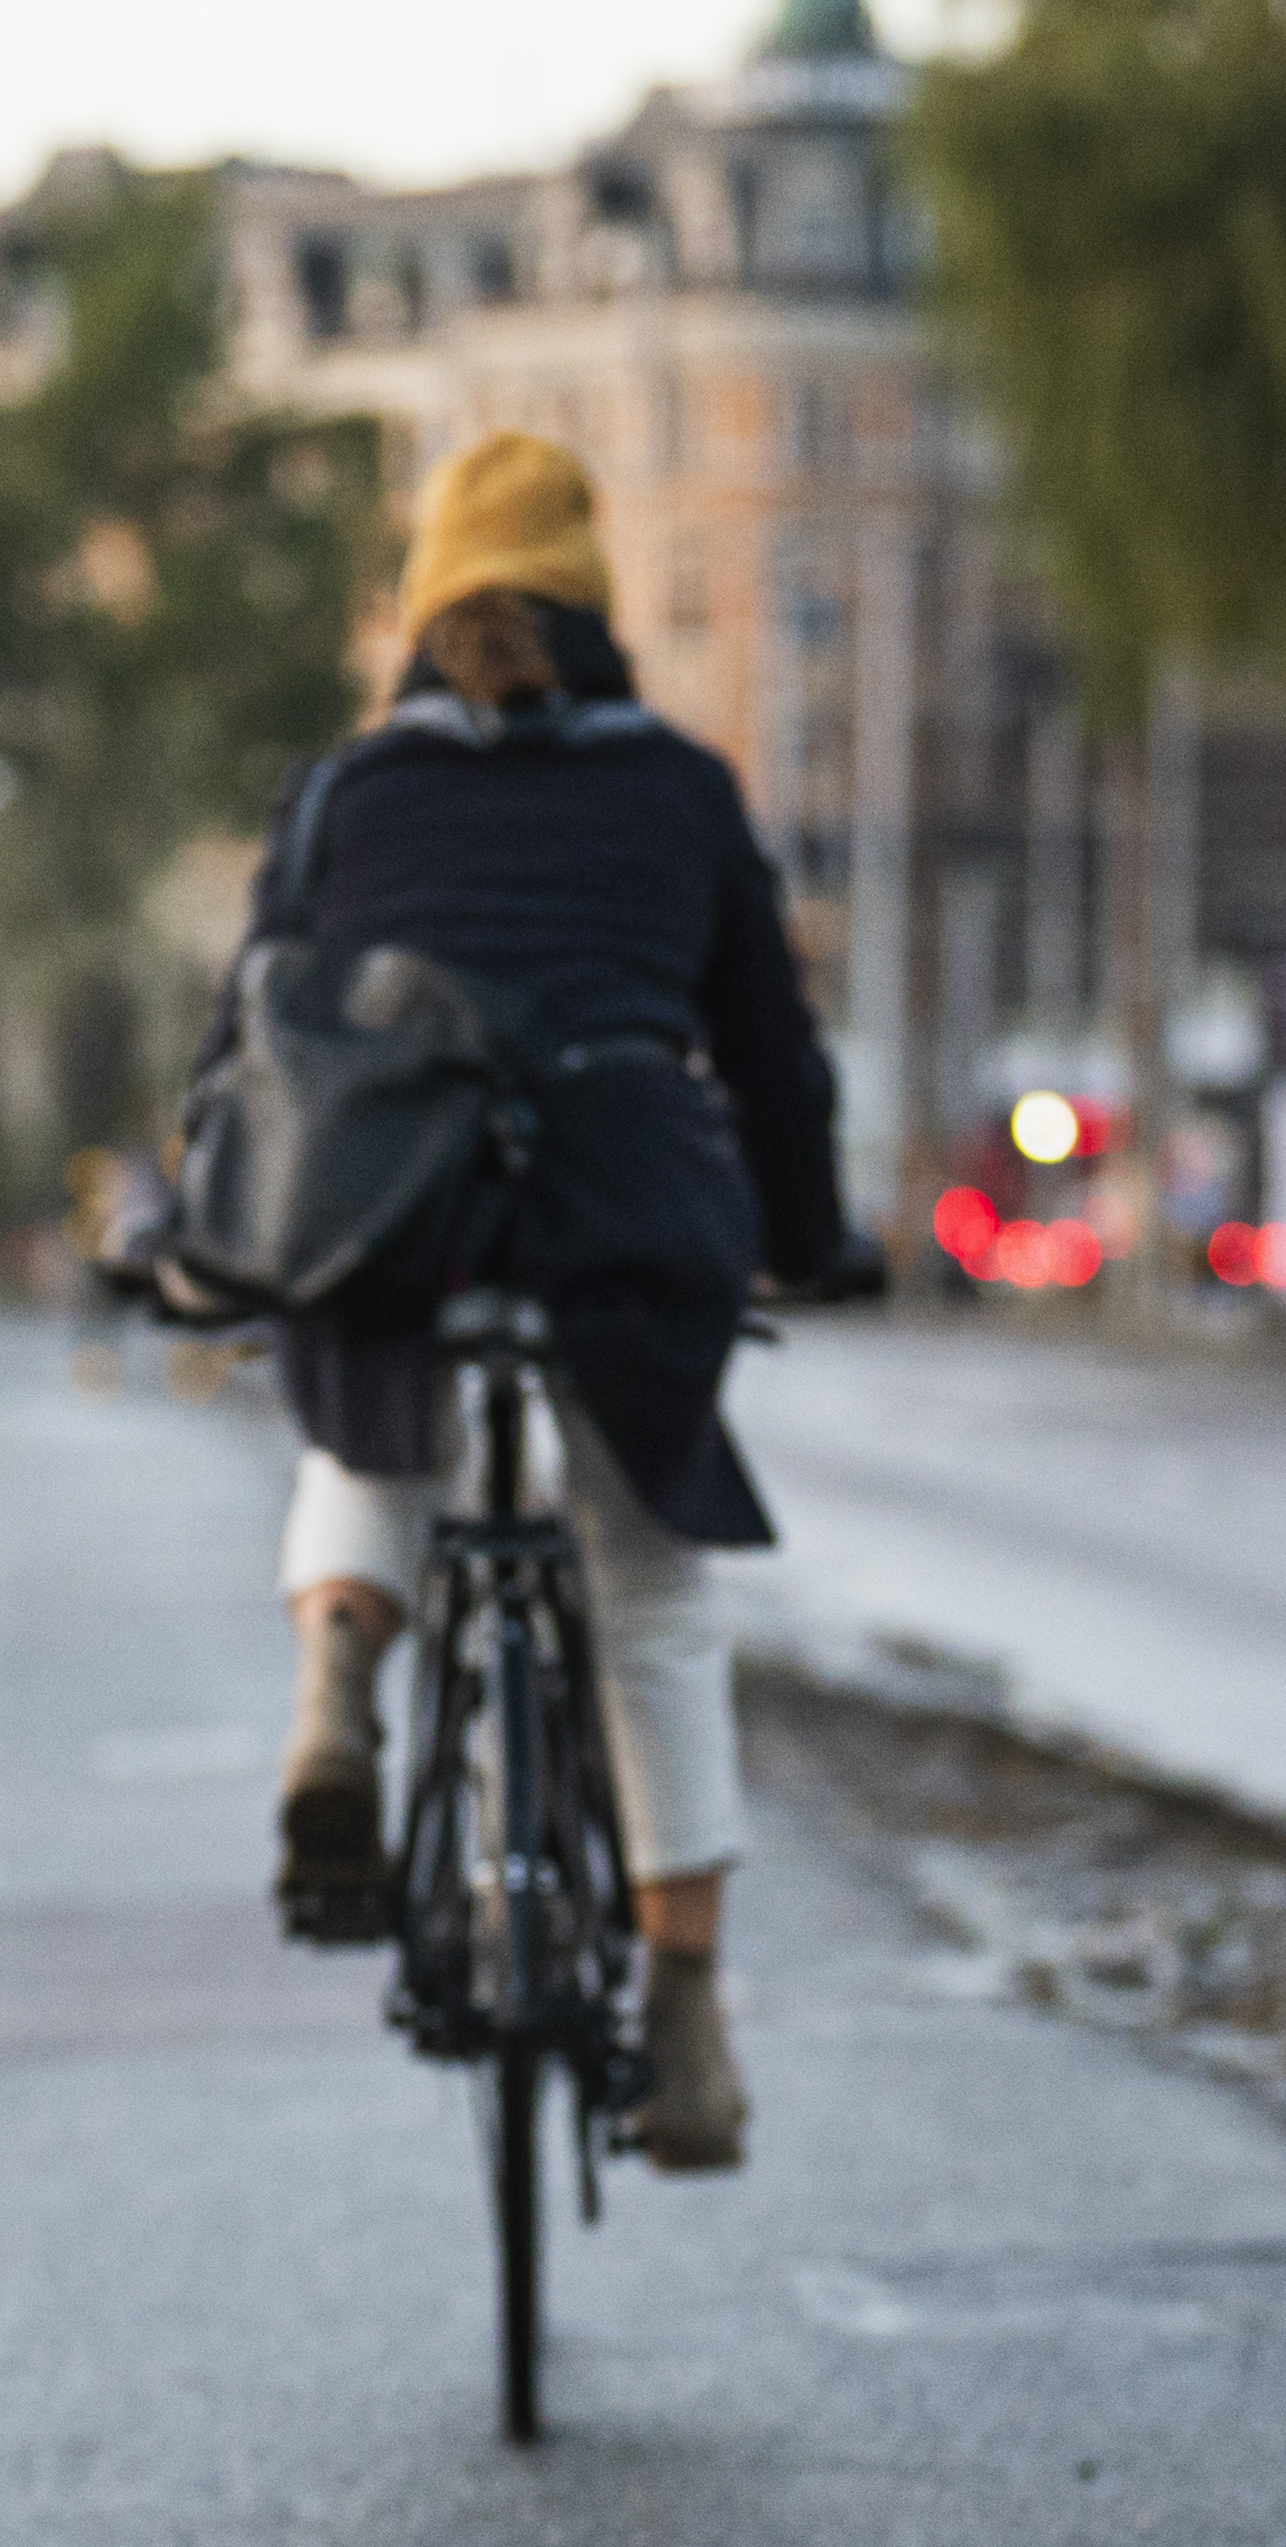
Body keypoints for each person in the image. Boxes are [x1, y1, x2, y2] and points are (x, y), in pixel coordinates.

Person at [221, 430, 850, 2177]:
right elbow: (770, 1059)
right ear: (594, 606)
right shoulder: (678, 787)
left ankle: (337, 1679)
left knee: (364, 1396)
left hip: (392, 1193)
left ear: (424, 614)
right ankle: (688, 2021)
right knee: (642, 1597)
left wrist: (219, 1233)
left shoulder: (347, 792)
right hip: (619, 1196)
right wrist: (805, 1231)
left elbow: (258, 1032)